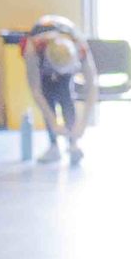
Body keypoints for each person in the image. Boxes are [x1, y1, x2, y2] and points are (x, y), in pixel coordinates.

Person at [21, 13, 96, 163]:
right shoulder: (33, 47)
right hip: (44, 68)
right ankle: (54, 144)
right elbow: (35, 89)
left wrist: (83, 124)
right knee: (48, 94)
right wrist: (53, 123)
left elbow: (92, 86)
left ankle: (73, 142)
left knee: (65, 93)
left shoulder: (79, 45)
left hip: (64, 51)